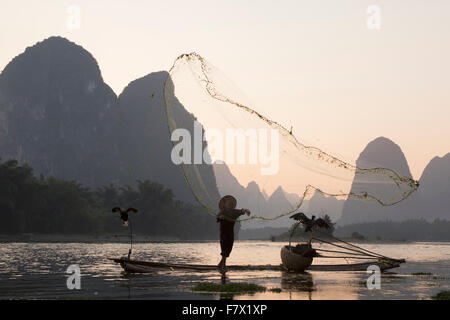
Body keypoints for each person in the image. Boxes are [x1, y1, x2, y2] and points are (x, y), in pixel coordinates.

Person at [217, 195, 251, 272]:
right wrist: (221, 217)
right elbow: (218, 217)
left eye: (232, 203)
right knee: (224, 248)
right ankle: (223, 266)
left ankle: (221, 263)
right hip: (224, 233)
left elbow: (242, 211)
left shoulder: (234, 212)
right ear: (225, 204)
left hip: (231, 233)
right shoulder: (222, 212)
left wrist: (247, 210)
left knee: (229, 248)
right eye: (229, 203)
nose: (230, 205)